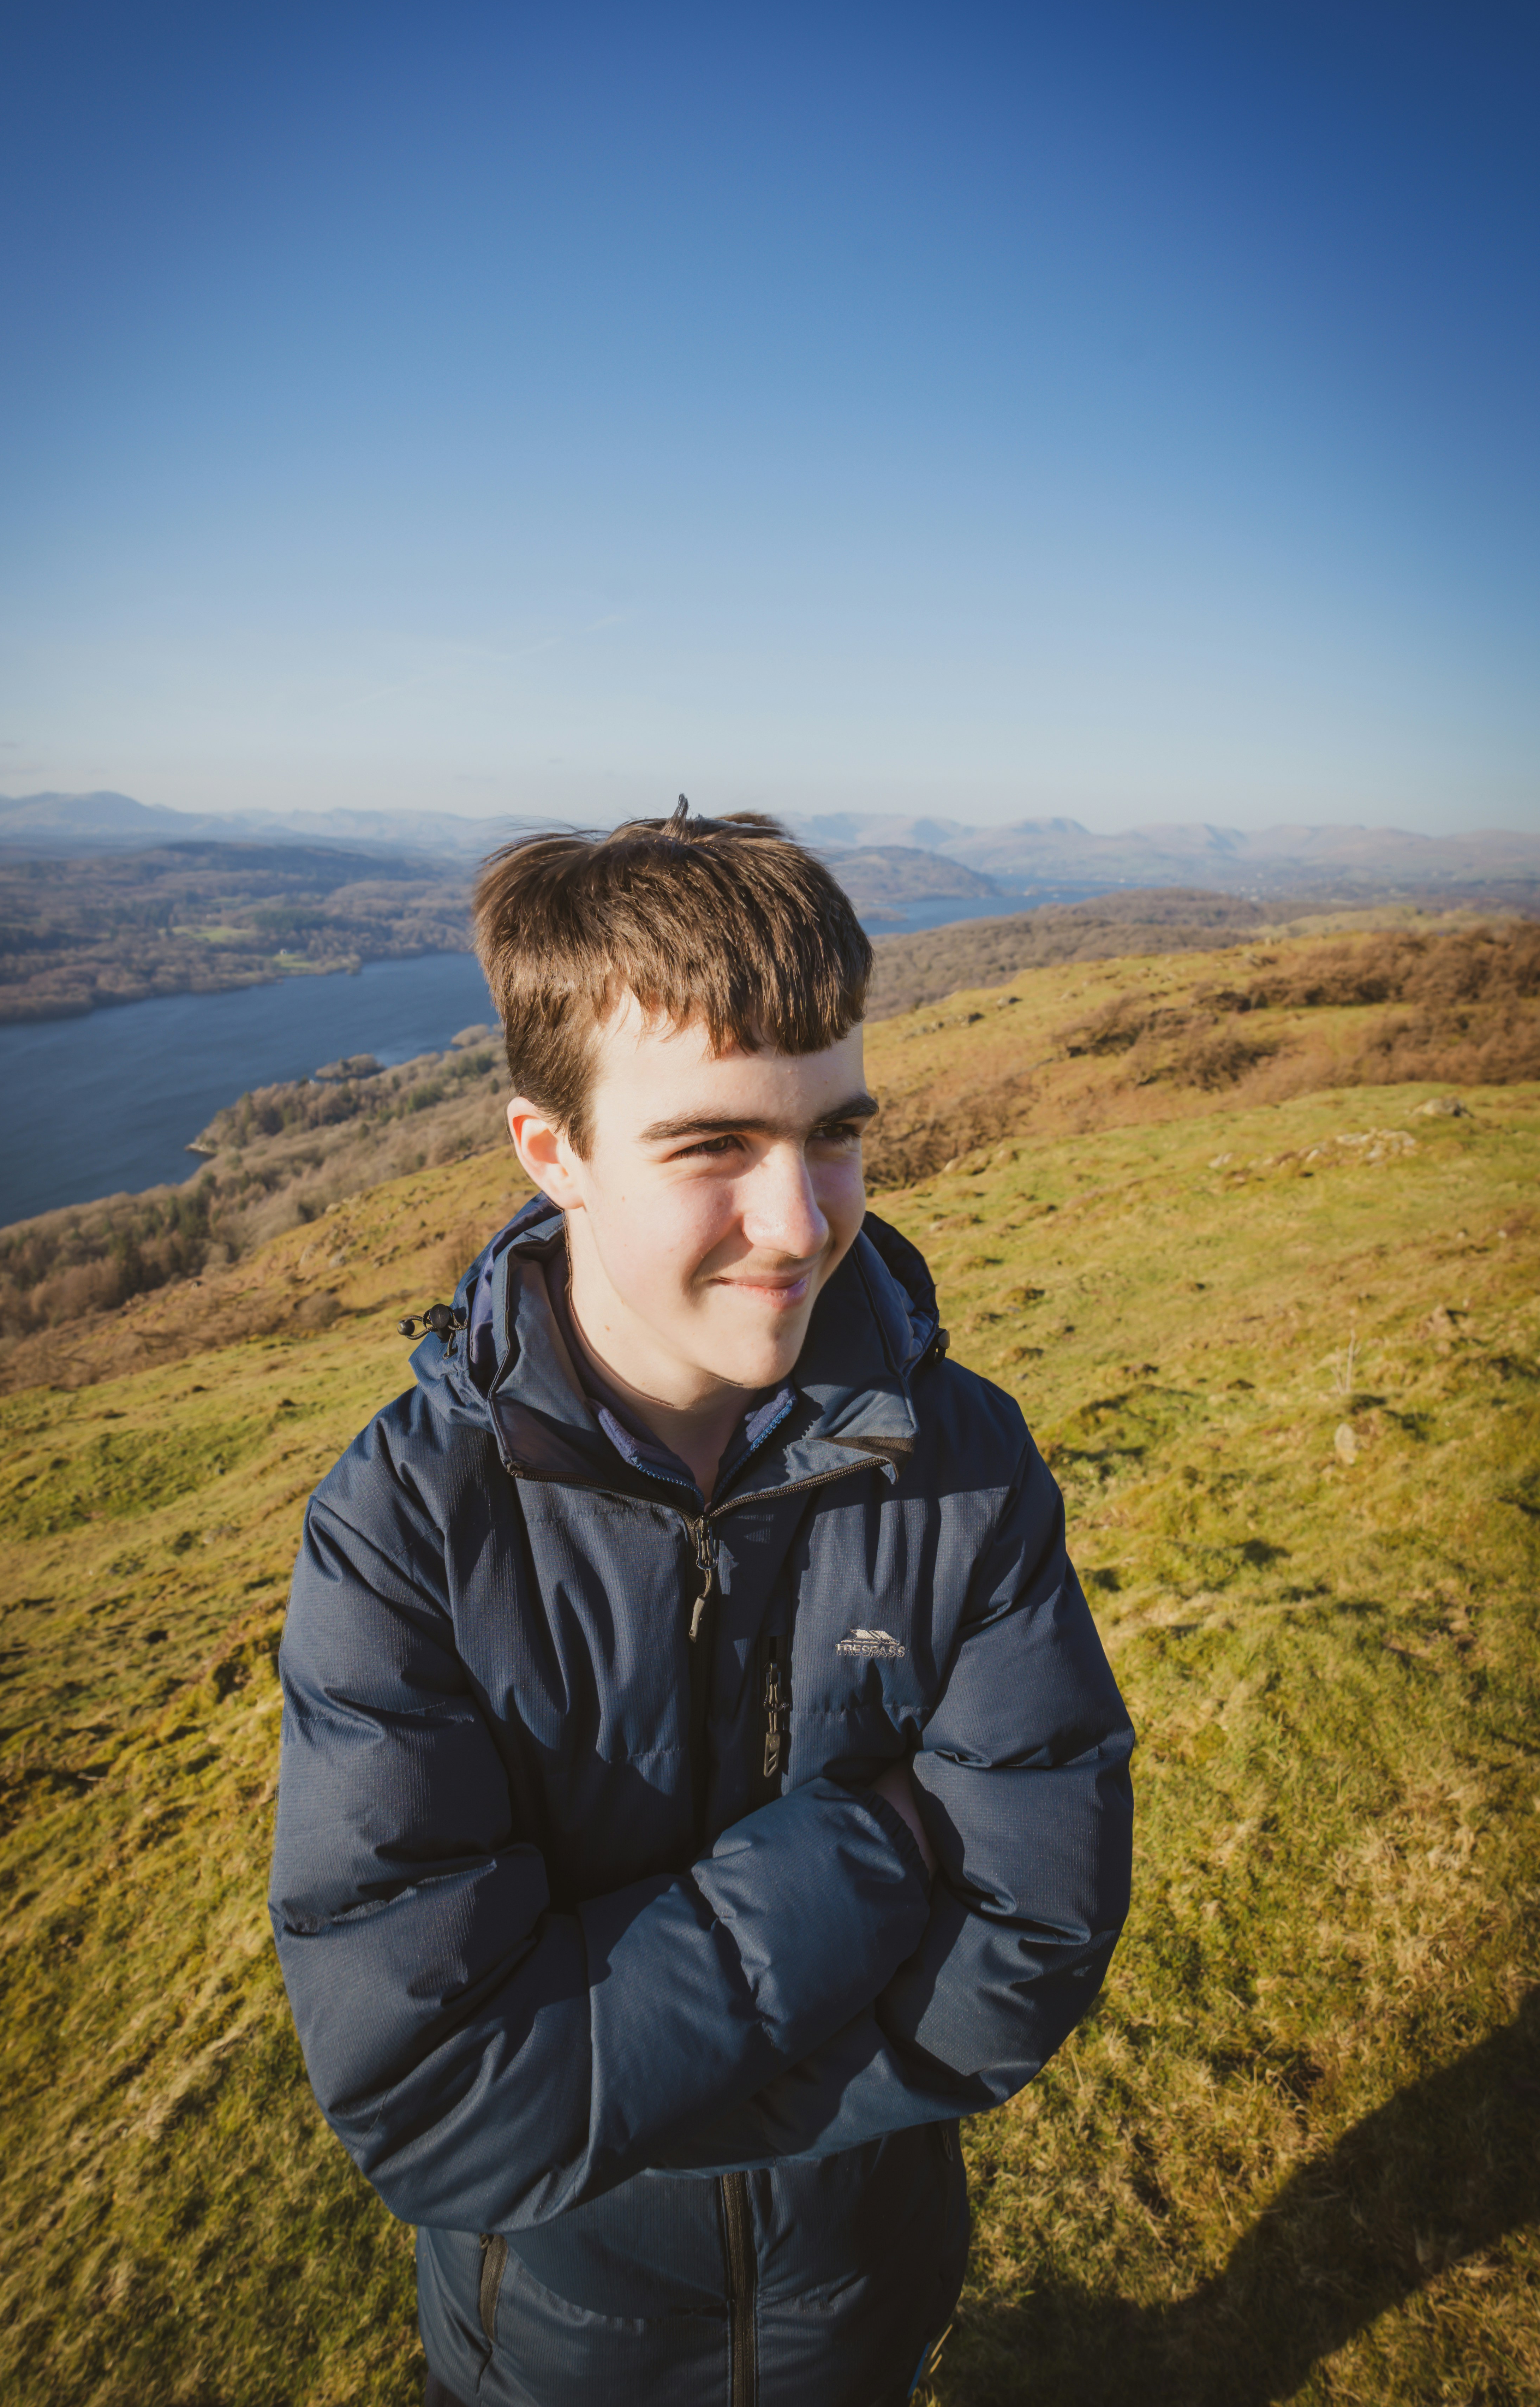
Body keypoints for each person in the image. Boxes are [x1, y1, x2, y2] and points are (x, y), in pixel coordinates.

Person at [269, 803, 1134, 2407]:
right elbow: (435, 2096)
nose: (802, 1223)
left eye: (831, 1131)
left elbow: (1028, 1947)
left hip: (857, 2312)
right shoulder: (406, 1527)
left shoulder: (959, 1458)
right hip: (553, 2349)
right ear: (553, 1149)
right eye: (713, 1142)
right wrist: (879, 1846)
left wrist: (596, 2086)